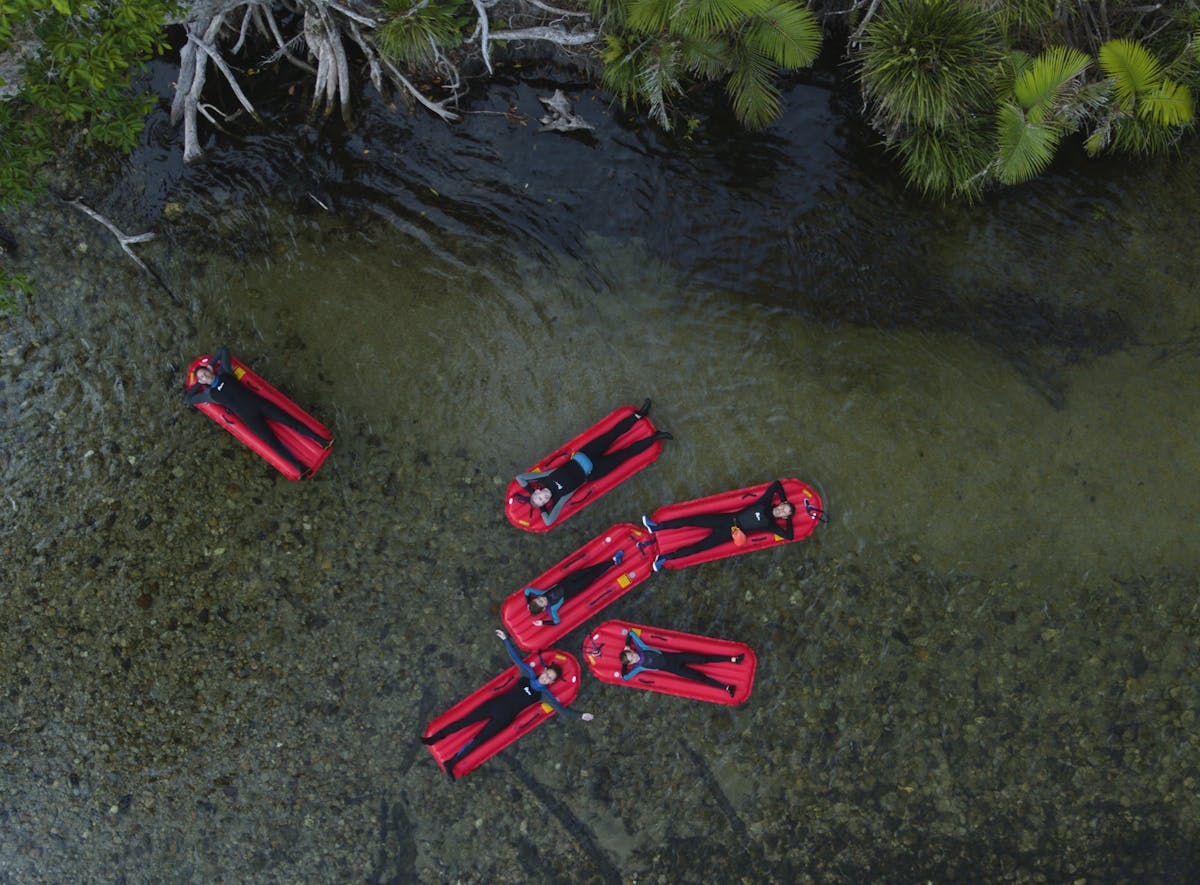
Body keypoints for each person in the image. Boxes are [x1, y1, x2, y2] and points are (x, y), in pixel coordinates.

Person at [421, 629, 595, 779]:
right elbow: (516, 659)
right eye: (547, 674)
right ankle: (434, 738)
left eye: (550, 678)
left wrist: (581, 715)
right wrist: (506, 639)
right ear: (543, 671)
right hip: (493, 705)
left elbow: (561, 710)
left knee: (477, 741)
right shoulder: (527, 674)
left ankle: (451, 763)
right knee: (463, 722)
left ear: (551, 682)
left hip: (504, 719)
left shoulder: (544, 695)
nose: (546, 678)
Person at [515, 398, 671, 527]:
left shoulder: (545, 478)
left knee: (612, 434)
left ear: (537, 491)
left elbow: (520, 478)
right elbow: (548, 521)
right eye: (543, 501)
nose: (545, 499)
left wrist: (530, 493)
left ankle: (639, 414)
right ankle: (655, 437)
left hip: (586, 453)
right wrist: (541, 507)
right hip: (594, 470)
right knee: (626, 454)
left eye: (540, 497)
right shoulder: (560, 498)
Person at [185, 346, 332, 476]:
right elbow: (189, 399)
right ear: (202, 381)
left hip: (260, 404)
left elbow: (223, 350)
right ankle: (300, 467)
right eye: (202, 377)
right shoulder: (210, 395)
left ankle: (321, 441)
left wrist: (210, 365)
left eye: (205, 373)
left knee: (290, 421)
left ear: (209, 371)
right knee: (273, 443)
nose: (205, 376)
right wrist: (198, 382)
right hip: (250, 419)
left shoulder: (225, 373)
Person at [641, 479, 795, 571]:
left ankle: (665, 558)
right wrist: (784, 500)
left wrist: (787, 518)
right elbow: (776, 485)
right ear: (781, 504)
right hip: (725, 519)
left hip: (729, 534)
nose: (781, 510)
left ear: (785, 516)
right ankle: (657, 527)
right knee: (691, 520)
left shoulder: (770, 525)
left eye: (784, 512)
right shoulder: (765, 503)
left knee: (698, 548)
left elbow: (789, 536)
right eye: (783, 507)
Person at [620, 631, 745, 697]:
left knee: (704, 659)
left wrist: (626, 646)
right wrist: (625, 664)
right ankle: (727, 688)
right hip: (677, 670)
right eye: (631, 658)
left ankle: (733, 659)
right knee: (700, 678)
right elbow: (625, 677)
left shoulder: (641, 648)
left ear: (631, 650)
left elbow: (630, 633)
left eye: (631, 653)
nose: (633, 656)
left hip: (679, 657)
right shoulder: (638, 667)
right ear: (630, 662)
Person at [526, 549, 625, 625]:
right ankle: (614, 561)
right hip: (576, 588)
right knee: (593, 575)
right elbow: (556, 621)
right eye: (542, 602)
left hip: (569, 579)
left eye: (539, 599)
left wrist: (528, 602)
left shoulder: (541, 593)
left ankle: (613, 561)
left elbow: (527, 591)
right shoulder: (552, 609)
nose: (542, 598)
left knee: (589, 569)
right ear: (544, 609)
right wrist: (543, 623)